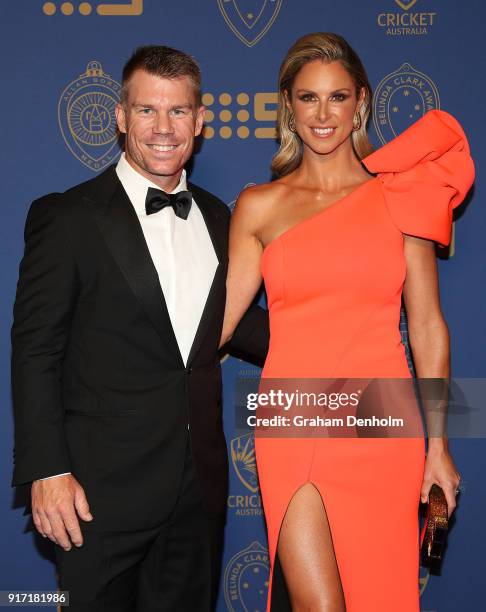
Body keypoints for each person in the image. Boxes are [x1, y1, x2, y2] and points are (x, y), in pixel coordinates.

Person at [220, 32, 474, 611]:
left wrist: (438, 445)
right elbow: (220, 324)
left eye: (337, 97)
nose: (323, 114)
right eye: (308, 98)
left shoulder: (402, 196)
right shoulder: (258, 206)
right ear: (288, 104)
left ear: (361, 102)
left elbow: (429, 326)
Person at [11, 45, 268, 611]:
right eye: (147, 110)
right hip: (96, 495)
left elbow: (240, 327)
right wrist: (46, 469)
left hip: (197, 491)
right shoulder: (68, 216)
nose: (163, 128)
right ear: (122, 116)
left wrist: (351, 335)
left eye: (178, 112)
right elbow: (35, 350)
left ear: (200, 122)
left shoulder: (224, 220)